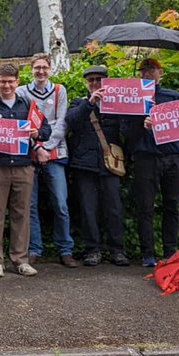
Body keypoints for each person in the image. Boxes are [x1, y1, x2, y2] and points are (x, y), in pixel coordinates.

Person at [0, 63, 50, 278]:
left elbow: (46, 130)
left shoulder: (28, 106)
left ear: (17, 82)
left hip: (23, 167)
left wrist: (36, 133)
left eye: (10, 81)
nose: (6, 85)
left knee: (21, 215)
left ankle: (20, 259)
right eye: (2, 81)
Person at [16, 54, 78, 268]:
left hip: (56, 152)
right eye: (37, 68)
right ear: (31, 69)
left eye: (44, 67)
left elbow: (62, 122)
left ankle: (65, 249)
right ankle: (34, 248)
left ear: (50, 69)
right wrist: (36, 147)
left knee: (60, 203)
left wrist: (46, 146)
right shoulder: (21, 92)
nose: (41, 71)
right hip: (30, 153)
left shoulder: (60, 90)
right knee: (29, 205)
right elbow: (21, 124)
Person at [65, 65, 129, 266]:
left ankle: (117, 250)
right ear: (86, 83)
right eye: (91, 80)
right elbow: (71, 122)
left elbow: (126, 131)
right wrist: (90, 104)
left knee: (114, 208)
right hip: (85, 165)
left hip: (110, 164)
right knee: (88, 209)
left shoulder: (117, 104)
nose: (95, 83)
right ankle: (92, 250)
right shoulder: (79, 102)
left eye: (99, 80)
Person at [123, 58, 179, 267]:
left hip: (172, 156)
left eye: (152, 70)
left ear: (160, 73)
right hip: (145, 158)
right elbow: (127, 135)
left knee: (172, 205)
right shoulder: (132, 99)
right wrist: (142, 123)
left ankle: (170, 251)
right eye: (143, 70)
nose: (147, 74)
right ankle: (147, 253)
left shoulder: (172, 96)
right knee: (145, 207)